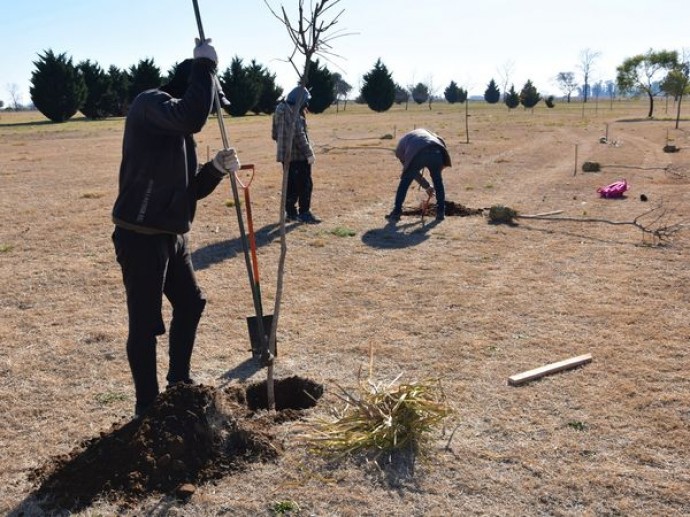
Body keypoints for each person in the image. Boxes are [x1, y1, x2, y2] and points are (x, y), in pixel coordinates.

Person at [111, 38, 240, 417]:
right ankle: (146, 408)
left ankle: (178, 384)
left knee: (190, 303)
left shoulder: (180, 133)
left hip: (172, 236)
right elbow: (191, 115)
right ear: (191, 87)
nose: (211, 113)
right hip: (140, 237)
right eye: (211, 101)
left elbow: (188, 192)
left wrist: (215, 168)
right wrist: (205, 66)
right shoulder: (149, 105)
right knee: (146, 324)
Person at [272, 86, 320, 224]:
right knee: (305, 185)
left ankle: (291, 213)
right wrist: (309, 153)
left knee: (290, 185)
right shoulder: (292, 113)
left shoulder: (279, 109)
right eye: (306, 101)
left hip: (285, 157)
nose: (307, 105)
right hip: (297, 156)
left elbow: (274, 134)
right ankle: (304, 213)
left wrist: (283, 143)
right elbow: (299, 135)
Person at [386, 128, 452, 222]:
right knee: (438, 180)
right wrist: (427, 186)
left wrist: (426, 186)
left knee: (405, 182)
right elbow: (440, 142)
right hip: (437, 152)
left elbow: (412, 173)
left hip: (418, 154)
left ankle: (396, 212)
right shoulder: (430, 134)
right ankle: (441, 212)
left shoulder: (400, 149)